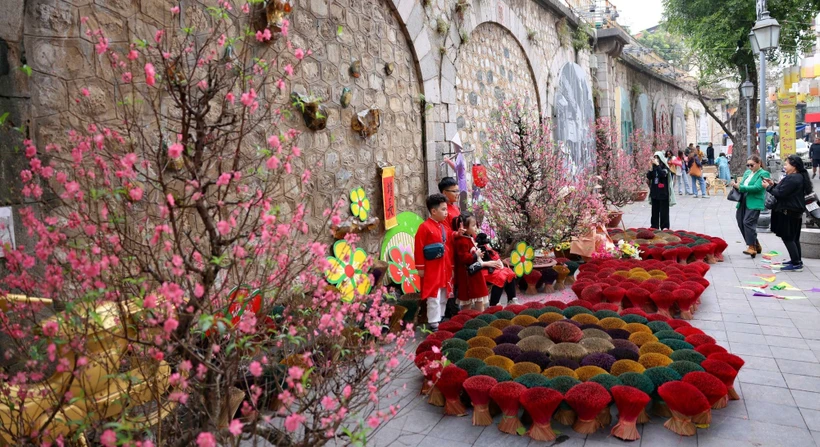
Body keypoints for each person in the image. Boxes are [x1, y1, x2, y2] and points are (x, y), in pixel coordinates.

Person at [762, 154, 812, 272]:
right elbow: (784, 189)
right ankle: (796, 260)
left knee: (788, 237)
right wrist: (773, 184)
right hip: (795, 211)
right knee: (794, 238)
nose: (784, 166)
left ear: (794, 166)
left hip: (788, 212)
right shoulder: (799, 177)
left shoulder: (793, 178)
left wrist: (767, 187)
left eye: (786, 164)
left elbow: (780, 193)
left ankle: (796, 263)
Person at [414, 194, 453, 330]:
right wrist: (420, 267)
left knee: (443, 292)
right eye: (443, 209)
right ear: (434, 211)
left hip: (443, 266)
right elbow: (418, 248)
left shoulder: (444, 227)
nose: (446, 212)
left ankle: (440, 316)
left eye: (446, 209)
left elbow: (449, 246)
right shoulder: (424, 227)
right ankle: (433, 321)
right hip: (431, 268)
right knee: (433, 294)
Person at [451, 213, 497, 311]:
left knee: (478, 298)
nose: (476, 227)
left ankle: (476, 319)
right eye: (473, 225)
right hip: (468, 275)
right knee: (470, 301)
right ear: (464, 228)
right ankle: (470, 320)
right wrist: (476, 255)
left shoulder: (469, 238)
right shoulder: (462, 241)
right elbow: (464, 258)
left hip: (474, 273)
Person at [731, 155, 770, 257]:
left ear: (759, 163)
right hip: (743, 200)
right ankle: (755, 244)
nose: (749, 167)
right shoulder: (747, 172)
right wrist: (736, 185)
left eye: (752, 165)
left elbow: (757, 187)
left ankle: (751, 247)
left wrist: (741, 187)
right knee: (740, 222)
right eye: (748, 165)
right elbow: (743, 184)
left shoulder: (764, 173)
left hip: (754, 202)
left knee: (748, 222)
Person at [437, 177, 461, 318]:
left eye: (458, 190)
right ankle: (450, 310)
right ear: (445, 193)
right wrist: (457, 233)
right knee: (450, 279)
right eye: (454, 191)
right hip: (449, 250)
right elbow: (444, 232)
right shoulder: (443, 210)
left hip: (457, 248)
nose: (457, 194)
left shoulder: (454, 207)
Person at [475, 233, 518, 306]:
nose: (475, 228)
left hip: (490, 266)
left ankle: (512, 300)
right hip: (479, 269)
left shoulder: (483, 245)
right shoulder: (470, 243)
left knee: (510, 273)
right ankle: (494, 304)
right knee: (500, 276)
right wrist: (489, 263)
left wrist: (497, 261)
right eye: (473, 226)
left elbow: (494, 256)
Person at [647, 151, 676, 229]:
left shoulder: (665, 167)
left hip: (663, 193)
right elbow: (649, 177)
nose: (656, 159)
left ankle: (664, 226)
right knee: (654, 211)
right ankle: (654, 226)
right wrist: (650, 168)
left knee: (664, 212)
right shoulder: (654, 168)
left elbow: (663, 174)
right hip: (655, 193)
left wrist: (658, 165)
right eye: (655, 158)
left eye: (657, 158)